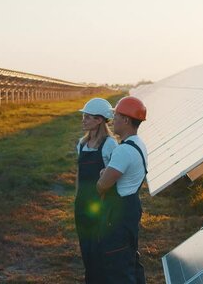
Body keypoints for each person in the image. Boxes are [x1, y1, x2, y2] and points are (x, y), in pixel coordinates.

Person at [96, 96, 148, 284]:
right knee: (129, 261)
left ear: (126, 120)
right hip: (130, 210)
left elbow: (102, 185)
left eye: (116, 115)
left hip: (117, 216)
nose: (113, 120)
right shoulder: (138, 144)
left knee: (117, 267)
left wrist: (103, 176)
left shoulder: (123, 151)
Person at [75, 97, 117, 283]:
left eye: (87, 117)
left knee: (98, 248)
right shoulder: (82, 144)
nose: (83, 120)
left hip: (100, 204)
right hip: (82, 204)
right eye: (83, 116)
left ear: (99, 120)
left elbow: (112, 178)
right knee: (86, 247)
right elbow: (78, 174)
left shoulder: (109, 145)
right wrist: (77, 199)